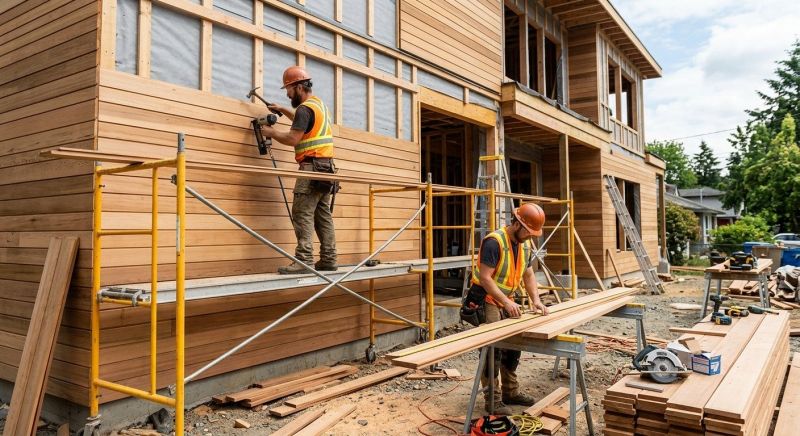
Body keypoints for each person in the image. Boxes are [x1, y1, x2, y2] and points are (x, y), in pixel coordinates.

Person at [468, 203, 549, 414]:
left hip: (507, 298)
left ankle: (510, 391)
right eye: (528, 232)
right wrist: (505, 302)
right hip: (486, 298)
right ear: (517, 223)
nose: (530, 237)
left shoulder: (524, 244)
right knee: (492, 348)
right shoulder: (494, 242)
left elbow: (528, 274)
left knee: (514, 344)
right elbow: (485, 278)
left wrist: (536, 300)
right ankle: (493, 400)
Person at [259, 66, 338, 274]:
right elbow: (305, 122)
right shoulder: (318, 105)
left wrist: (272, 132)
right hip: (327, 169)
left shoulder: (304, 109)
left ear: (299, 87)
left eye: (289, 89)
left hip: (310, 169)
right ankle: (329, 259)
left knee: (302, 213)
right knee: (323, 216)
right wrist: (283, 109)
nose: (287, 93)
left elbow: (293, 138)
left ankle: (304, 260)